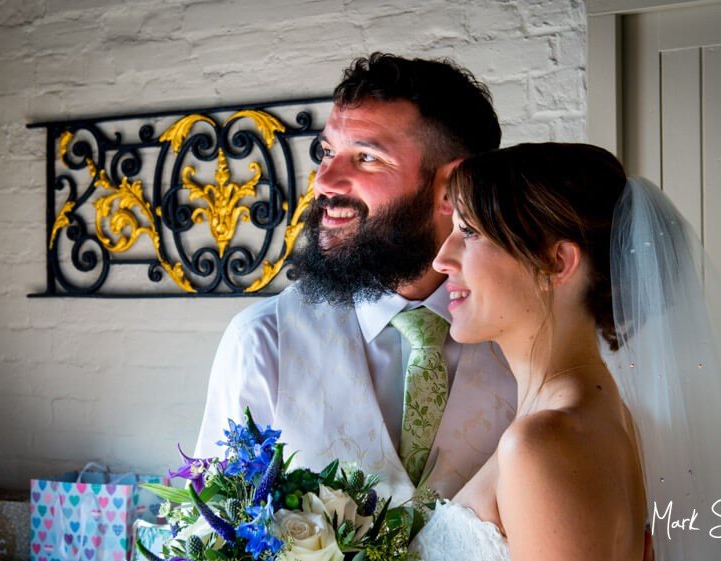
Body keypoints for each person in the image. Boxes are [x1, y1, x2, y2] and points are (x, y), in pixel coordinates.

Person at [411, 143, 721, 561]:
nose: (442, 259)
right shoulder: (603, 417)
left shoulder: (543, 443)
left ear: (557, 263)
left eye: (469, 232)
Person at [194, 53, 517, 504]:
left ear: (452, 189)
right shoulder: (264, 342)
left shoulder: (526, 342)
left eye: (366, 158)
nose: (325, 182)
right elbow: (215, 529)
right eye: (326, 153)